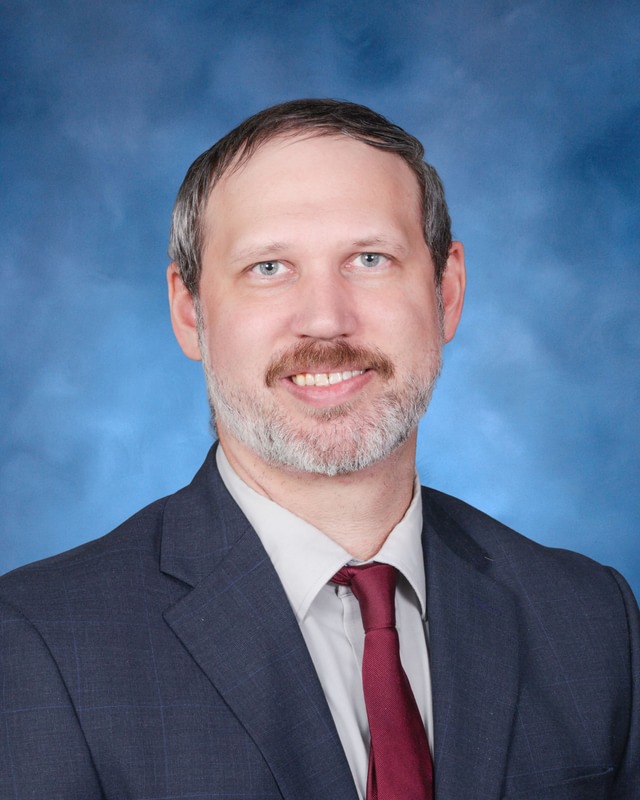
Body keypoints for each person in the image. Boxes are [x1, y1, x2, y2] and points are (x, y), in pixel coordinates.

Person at [0, 99, 637, 800]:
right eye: (269, 267)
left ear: (446, 291)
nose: (326, 320)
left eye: (370, 258)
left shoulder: (593, 619)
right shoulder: (38, 645)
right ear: (190, 312)